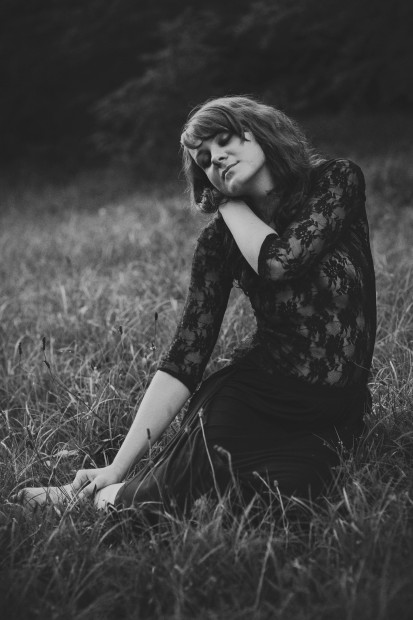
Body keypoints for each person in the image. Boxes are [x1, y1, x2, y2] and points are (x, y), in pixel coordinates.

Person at [16, 95, 376, 516]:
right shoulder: (218, 242)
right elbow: (185, 358)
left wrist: (227, 201)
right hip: (254, 397)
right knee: (171, 501)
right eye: (204, 160)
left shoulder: (335, 181)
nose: (215, 159)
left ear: (254, 132)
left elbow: (281, 261)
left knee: (287, 505)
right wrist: (116, 466)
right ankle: (102, 495)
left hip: (334, 412)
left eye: (222, 141)